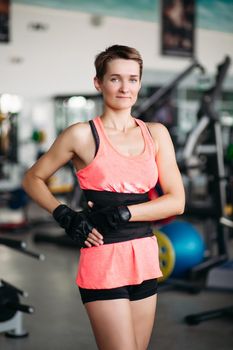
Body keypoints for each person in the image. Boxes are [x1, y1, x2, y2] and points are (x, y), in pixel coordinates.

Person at [22, 44, 185, 350]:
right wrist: (64, 214)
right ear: (98, 82)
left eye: (133, 79)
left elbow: (177, 200)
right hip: (104, 256)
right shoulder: (81, 135)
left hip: (144, 257)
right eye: (115, 79)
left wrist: (126, 213)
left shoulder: (156, 134)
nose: (125, 88)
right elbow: (32, 178)